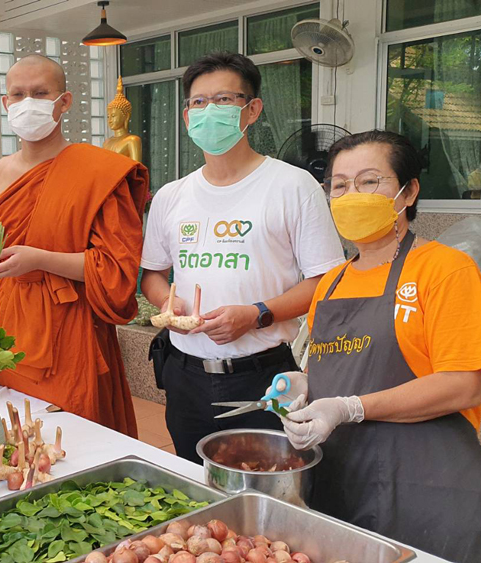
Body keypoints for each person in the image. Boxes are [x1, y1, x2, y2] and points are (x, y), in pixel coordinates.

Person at [280, 130, 481, 563]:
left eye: (368, 181)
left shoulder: (445, 270)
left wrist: (349, 407)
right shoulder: (332, 282)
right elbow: (337, 364)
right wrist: (304, 384)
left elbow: (464, 385)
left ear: (409, 190)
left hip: (425, 484)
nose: (351, 195)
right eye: (339, 186)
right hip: (340, 476)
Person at [139, 53, 345, 463]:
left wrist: (257, 314)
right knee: (193, 485)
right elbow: (152, 274)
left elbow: (328, 281)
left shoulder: (292, 186)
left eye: (223, 100)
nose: (207, 112)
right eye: (198, 103)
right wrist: (167, 301)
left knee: (267, 490)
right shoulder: (171, 196)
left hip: (263, 377)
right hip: (183, 374)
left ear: (252, 110)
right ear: (186, 117)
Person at [0, 55, 149, 436]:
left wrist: (40, 259)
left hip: (70, 330)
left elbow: (116, 271)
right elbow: (0, 255)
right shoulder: (0, 172)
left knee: (69, 443)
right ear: (6, 104)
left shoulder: (98, 171)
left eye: (40, 93)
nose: (28, 102)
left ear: (64, 101)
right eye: (19, 94)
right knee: (15, 439)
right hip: (8, 327)